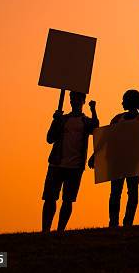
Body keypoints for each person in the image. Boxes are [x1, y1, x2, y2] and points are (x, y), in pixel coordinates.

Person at [88, 90, 139, 227]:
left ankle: (128, 222)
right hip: (116, 161)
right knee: (115, 192)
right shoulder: (117, 118)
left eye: (124, 100)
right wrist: (94, 155)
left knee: (132, 191)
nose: (122, 102)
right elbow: (106, 138)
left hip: (133, 160)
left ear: (130, 101)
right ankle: (113, 222)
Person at [42, 91, 98, 232]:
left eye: (77, 99)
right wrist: (55, 120)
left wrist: (93, 110)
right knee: (50, 198)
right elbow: (50, 138)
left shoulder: (85, 121)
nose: (74, 101)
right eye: (72, 98)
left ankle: (61, 230)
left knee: (68, 199)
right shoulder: (62, 119)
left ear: (82, 101)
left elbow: (95, 128)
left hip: (75, 166)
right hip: (56, 163)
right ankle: (45, 230)